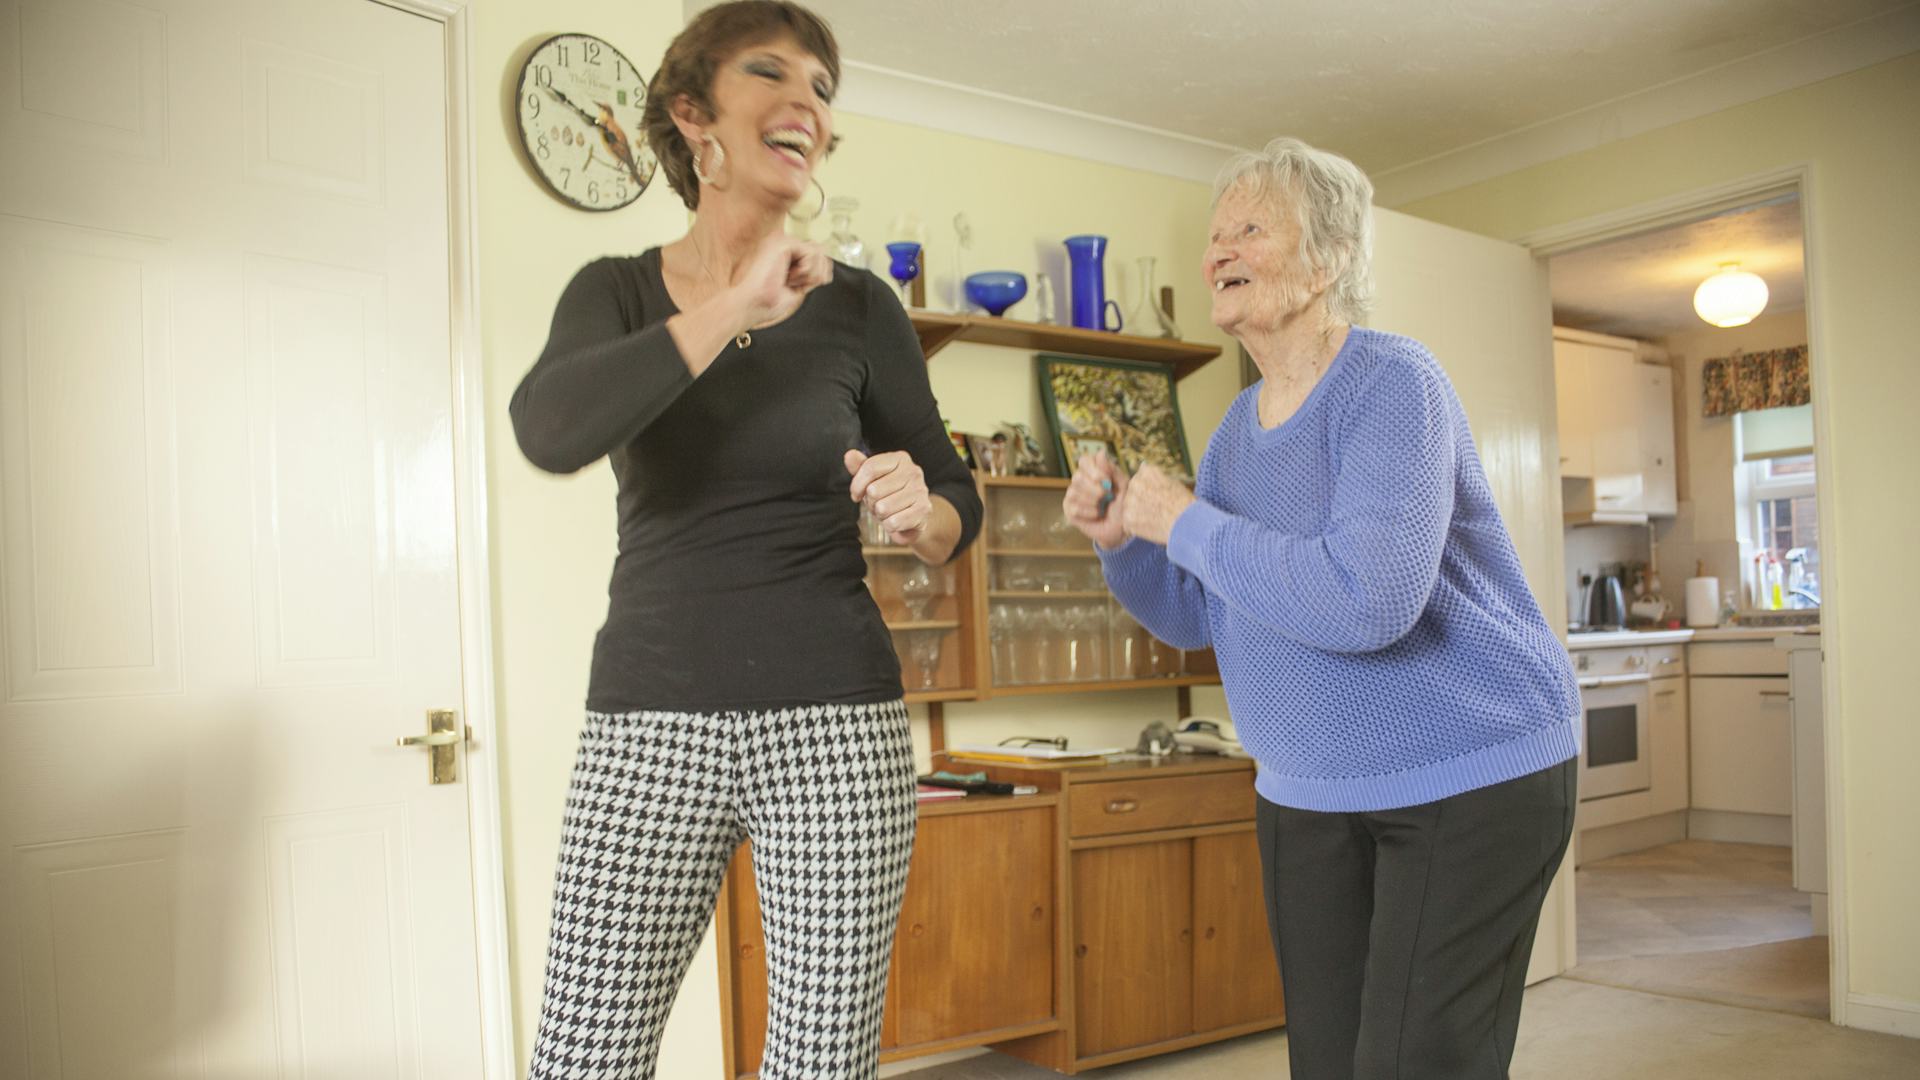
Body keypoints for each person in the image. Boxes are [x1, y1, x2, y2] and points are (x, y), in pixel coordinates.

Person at [509, 4, 981, 1077]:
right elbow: (548, 430)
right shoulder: (616, 292)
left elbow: (954, 498)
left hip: (834, 725)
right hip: (649, 719)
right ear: (694, 118)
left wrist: (925, 512)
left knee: (821, 1061)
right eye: (770, 71)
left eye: (822, 87)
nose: (805, 100)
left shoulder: (864, 310)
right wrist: (736, 305)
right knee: (585, 1056)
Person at [1063, 137, 1580, 1079]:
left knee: (1414, 1064)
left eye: (1250, 228)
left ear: (1331, 259)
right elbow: (1198, 614)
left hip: (1469, 777)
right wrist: (1128, 544)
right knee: (1330, 1063)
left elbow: (1367, 601)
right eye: (1215, 233)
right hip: (1306, 792)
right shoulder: (1233, 433)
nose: (1219, 248)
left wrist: (1186, 522)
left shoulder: (1393, 385)